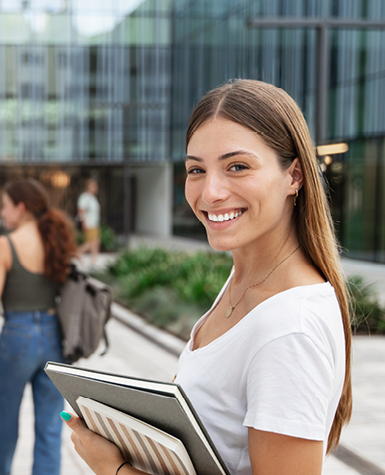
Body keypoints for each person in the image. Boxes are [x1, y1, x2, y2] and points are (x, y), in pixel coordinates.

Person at [62, 79, 352, 475]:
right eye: (196, 169)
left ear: (295, 176)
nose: (210, 192)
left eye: (238, 166)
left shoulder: (289, 329)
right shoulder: (245, 280)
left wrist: (116, 470)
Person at [0, 178, 77, 475]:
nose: (1, 212)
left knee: (4, 419)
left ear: (21, 208)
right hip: (53, 336)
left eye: (5, 205)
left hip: (17, 335)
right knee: (49, 424)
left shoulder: (4, 244)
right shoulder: (55, 238)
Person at [77, 179, 101, 268]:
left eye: (95, 186)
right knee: (89, 244)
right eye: (92, 186)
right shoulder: (84, 197)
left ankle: (93, 261)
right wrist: (83, 223)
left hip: (95, 224)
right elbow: (81, 211)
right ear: (87, 187)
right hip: (89, 224)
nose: (94, 188)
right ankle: (74, 253)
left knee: (96, 242)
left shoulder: (93, 198)